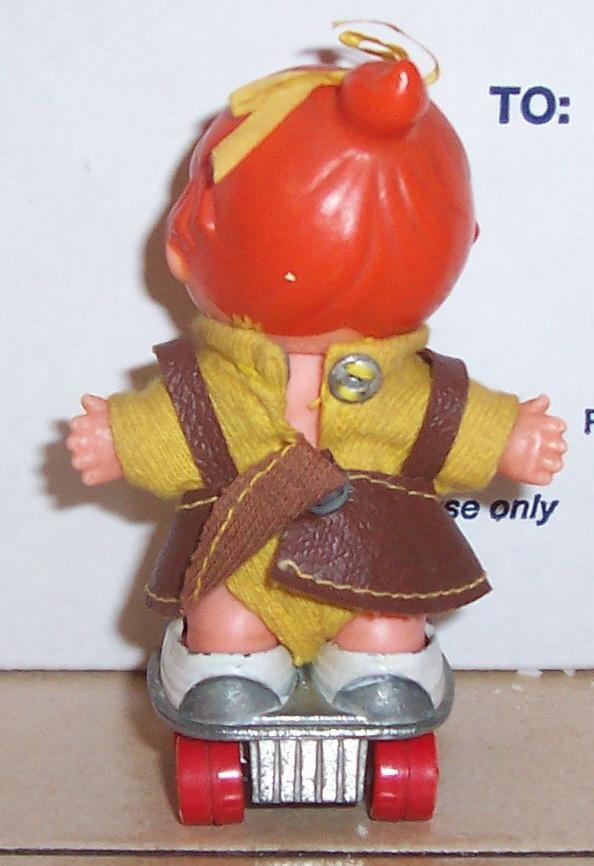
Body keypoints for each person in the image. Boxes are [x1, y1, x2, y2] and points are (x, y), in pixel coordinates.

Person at [67, 42, 566, 730]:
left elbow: (444, 420)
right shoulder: (218, 380)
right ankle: (232, 663)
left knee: (386, 623)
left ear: (188, 239)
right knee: (225, 619)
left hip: (375, 564)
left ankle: (377, 662)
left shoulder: (403, 384)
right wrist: (122, 438)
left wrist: (506, 436)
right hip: (241, 558)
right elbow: (181, 428)